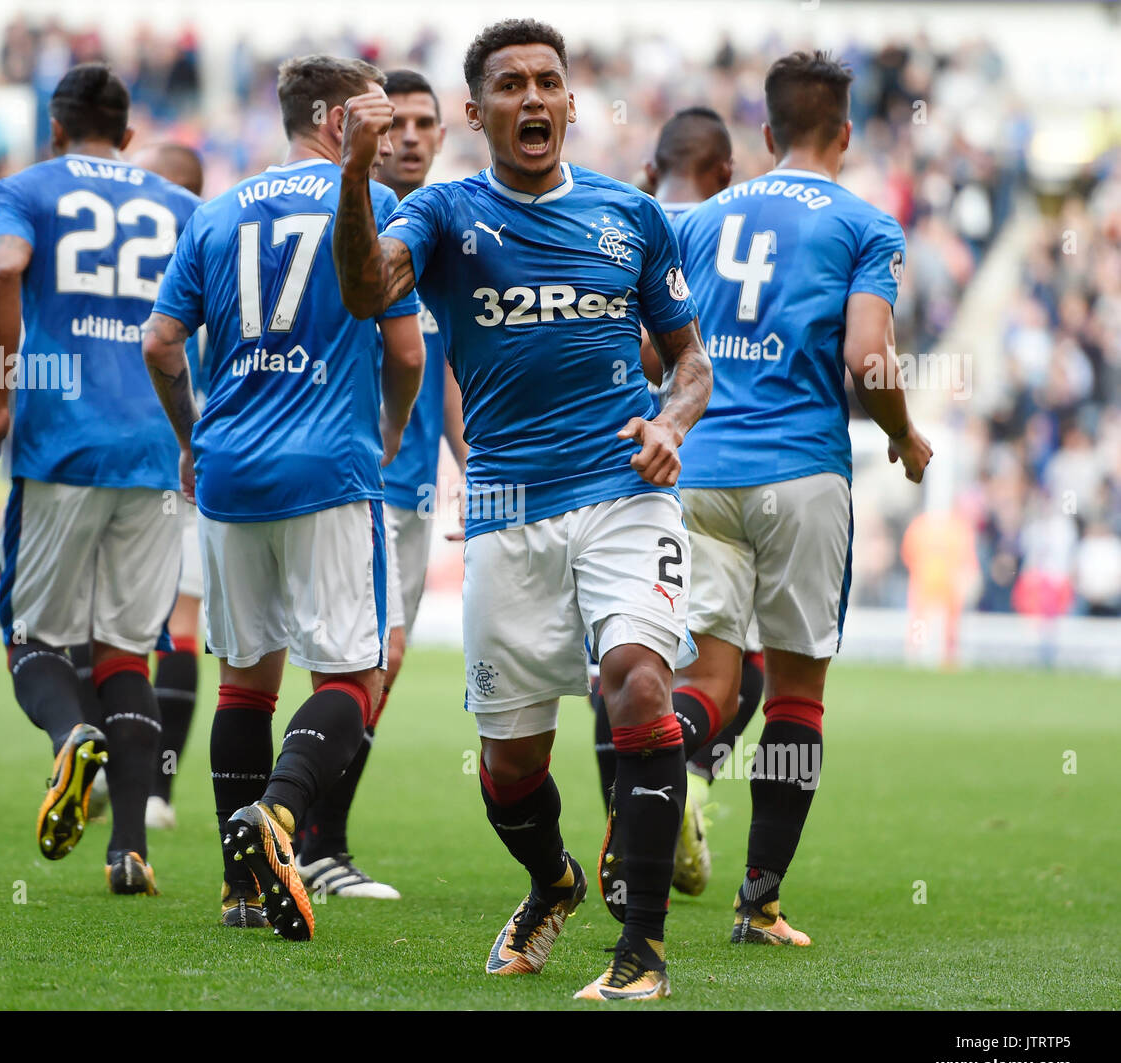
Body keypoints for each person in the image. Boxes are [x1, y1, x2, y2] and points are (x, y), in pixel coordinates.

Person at [333, 18, 713, 1000]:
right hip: (506, 510)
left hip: (627, 493)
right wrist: (353, 175)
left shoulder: (631, 216)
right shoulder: (449, 215)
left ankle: (641, 952)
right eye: (510, 85)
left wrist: (671, 420)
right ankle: (552, 881)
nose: (533, 98)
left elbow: (689, 359)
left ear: (571, 103)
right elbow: (365, 284)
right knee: (507, 767)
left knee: (635, 679)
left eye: (548, 82)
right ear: (477, 110)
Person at [142, 56, 424, 937]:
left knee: (244, 683)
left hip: (228, 471)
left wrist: (192, 439)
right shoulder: (374, 207)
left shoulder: (217, 211)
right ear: (338, 119)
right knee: (351, 672)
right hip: (328, 466)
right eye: (375, 115)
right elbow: (409, 354)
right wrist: (387, 428)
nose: (388, 133)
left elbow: (159, 344)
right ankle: (281, 815)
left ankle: (238, 891)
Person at [670, 52, 932, 945]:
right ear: (847, 136)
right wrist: (901, 431)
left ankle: (672, 786)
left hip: (700, 470)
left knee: (707, 680)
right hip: (799, 469)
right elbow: (867, 357)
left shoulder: (703, 221)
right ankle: (759, 902)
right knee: (794, 697)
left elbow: (655, 344)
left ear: (768, 135)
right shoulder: (866, 224)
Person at [0, 63, 201, 894]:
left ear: (56, 129)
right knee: (126, 651)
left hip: (62, 442)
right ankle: (129, 846)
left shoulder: (28, 187)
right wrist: (193, 430)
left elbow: (1, 273)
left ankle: (70, 737)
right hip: (152, 447)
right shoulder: (181, 207)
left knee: (31, 639)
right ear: (129, 135)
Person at [294, 69, 469, 900]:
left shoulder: (443, 229)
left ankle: (299, 833)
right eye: (392, 121)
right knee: (364, 661)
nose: (407, 136)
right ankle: (306, 836)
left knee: (373, 667)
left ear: (443, 134)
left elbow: (448, 369)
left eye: (423, 123)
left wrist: (479, 473)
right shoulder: (345, 218)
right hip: (351, 479)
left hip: (406, 490)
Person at [593, 105, 764, 899]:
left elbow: (627, 351)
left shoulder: (634, 223)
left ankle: (629, 818)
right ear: (726, 169)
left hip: (646, 467)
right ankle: (679, 786)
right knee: (744, 675)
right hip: (747, 461)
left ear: (654, 167)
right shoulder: (753, 224)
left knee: (626, 660)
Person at [72, 142, 208, 830]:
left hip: (141, 459)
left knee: (107, 625)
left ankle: (101, 758)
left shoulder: (129, 263)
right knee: (176, 630)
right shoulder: (218, 248)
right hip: (191, 460)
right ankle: (152, 792)